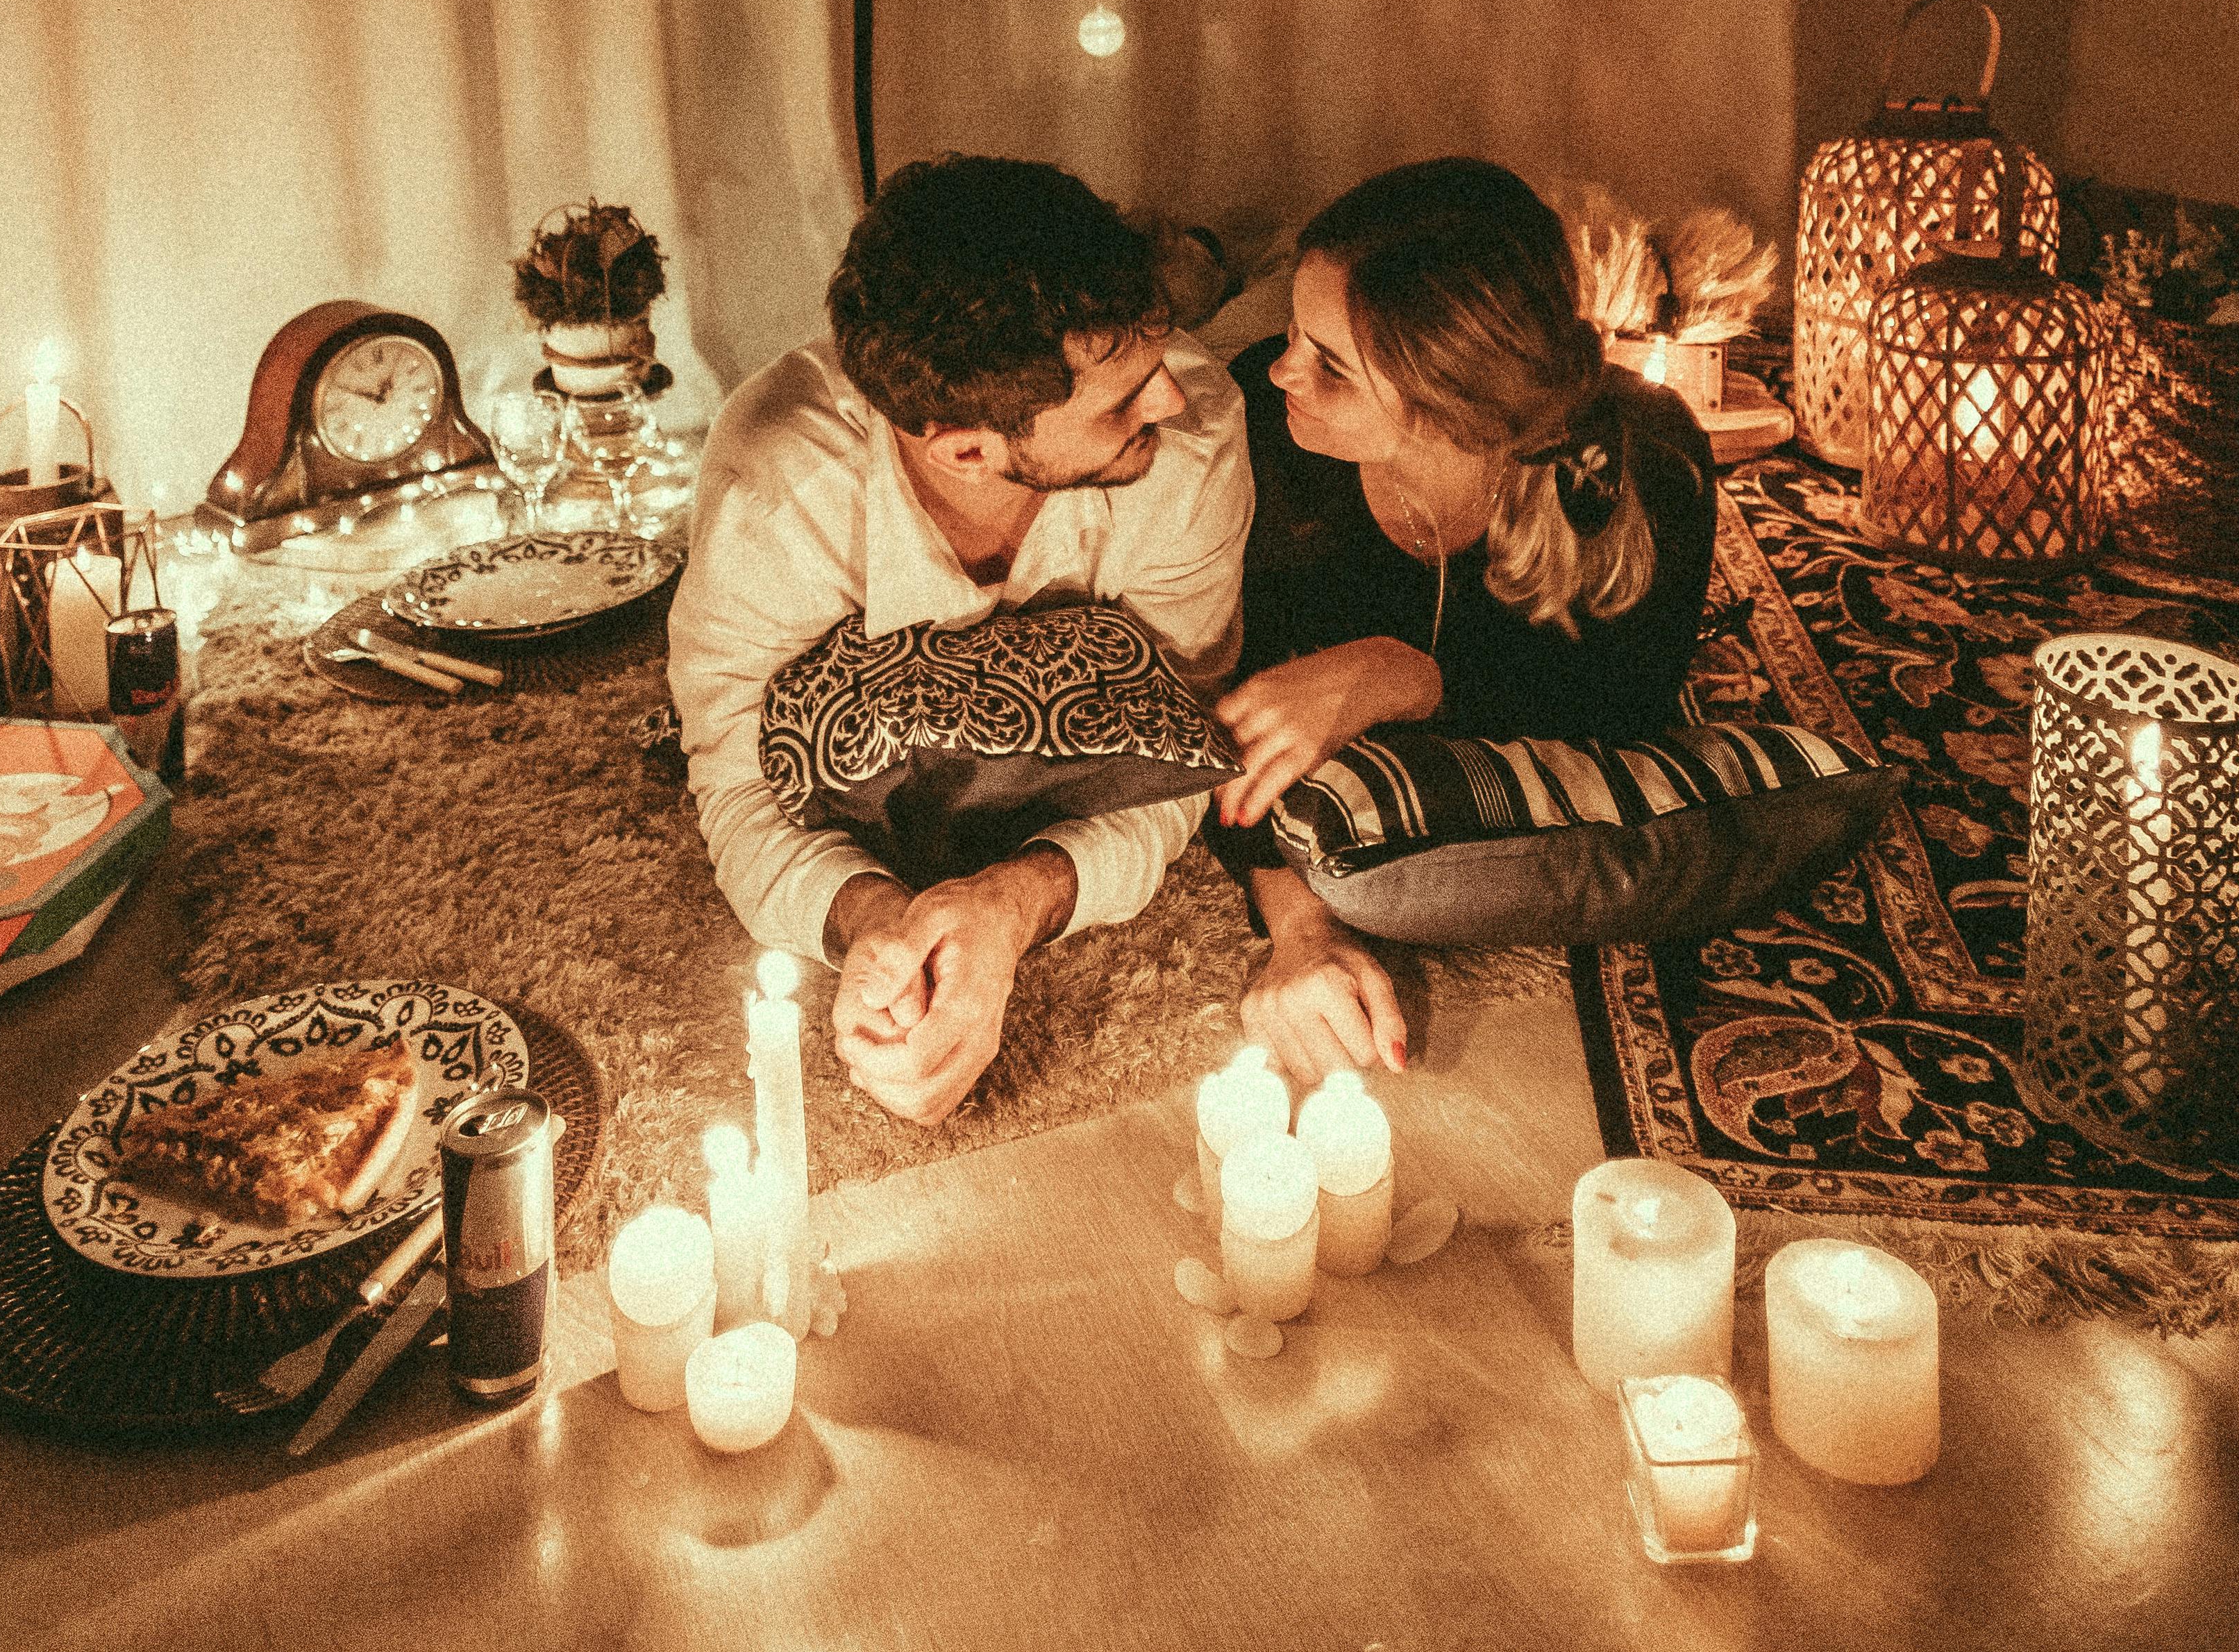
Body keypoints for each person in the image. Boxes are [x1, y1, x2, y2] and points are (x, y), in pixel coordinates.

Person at [669, 155, 1252, 1127]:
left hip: (1074, 730)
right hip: (855, 732)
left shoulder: (1192, 444)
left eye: (1154, 363)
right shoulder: (777, 496)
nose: (1168, 403)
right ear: (966, 451)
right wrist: (874, 926)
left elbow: (1182, 749)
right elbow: (733, 786)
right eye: (1119, 403)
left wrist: (1015, 903)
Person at [1210, 157, 1718, 1087]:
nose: (1286, 369)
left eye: (1331, 366)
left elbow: (1623, 712)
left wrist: (1405, 672)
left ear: (1449, 410)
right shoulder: (1253, 428)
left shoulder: (1647, 464)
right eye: (1294, 330)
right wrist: (1300, 928)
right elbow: (1213, 730)